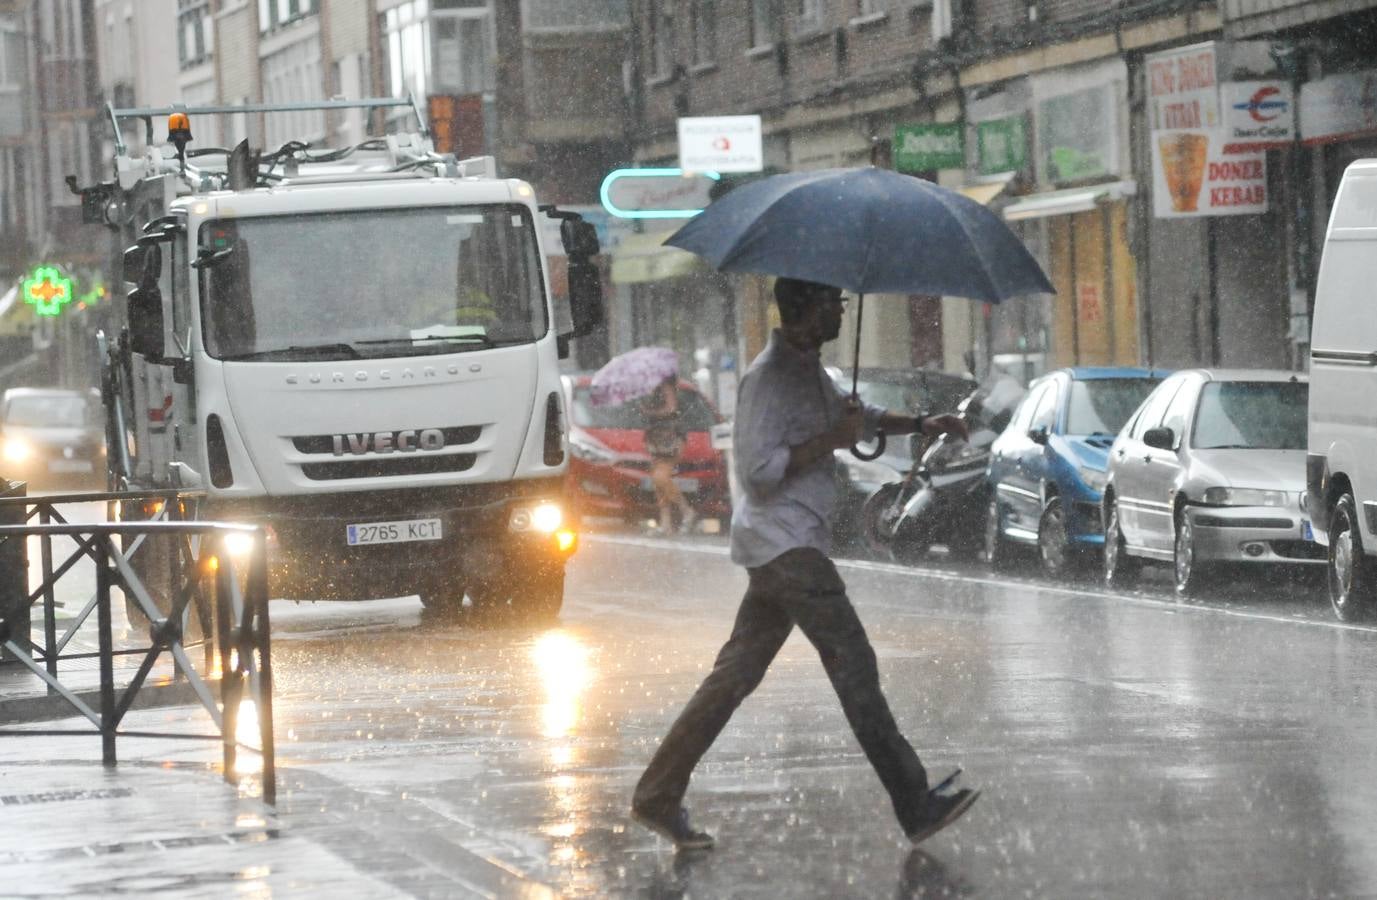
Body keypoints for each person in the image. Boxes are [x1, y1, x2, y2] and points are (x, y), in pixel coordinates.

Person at [630, 277, 980, 851]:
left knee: (733, 678)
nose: (841, 310)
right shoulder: (768, 379)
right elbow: (758, 472)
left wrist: (919, 425)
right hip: (786, 545)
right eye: (832, 303)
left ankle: (657, 795)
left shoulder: (808, 369)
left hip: (787, 546)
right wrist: (830, 440)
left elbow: (857, 418)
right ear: (805, 310)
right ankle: (913, 803)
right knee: (855, 668)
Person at [642, 376, 696, 535]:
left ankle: (686, 510)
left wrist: (650, 411)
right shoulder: (655, 386)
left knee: (661, 477)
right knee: (658, 482)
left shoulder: (666, 385)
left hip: (670, 438)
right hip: (658, 437)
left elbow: (671, 408)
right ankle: (666, 524)